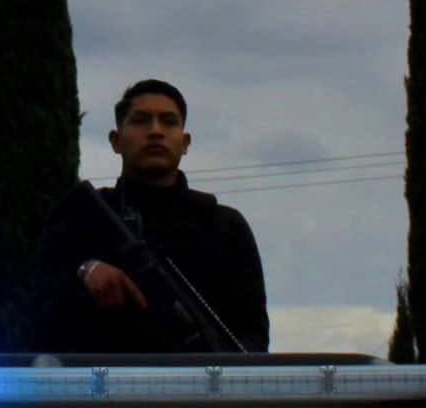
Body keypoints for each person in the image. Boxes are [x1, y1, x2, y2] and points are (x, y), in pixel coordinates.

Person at [29, 79, 269, 354]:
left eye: (168, 122)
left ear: (185, 142)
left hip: (203, 390)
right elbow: (38, 305)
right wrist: (85, 270)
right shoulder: (81, 217)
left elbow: (252, 335)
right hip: (99, 389)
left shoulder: (224, 226)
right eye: (141, 121)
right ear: (116, 141)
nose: (155, 131)